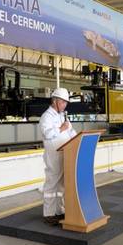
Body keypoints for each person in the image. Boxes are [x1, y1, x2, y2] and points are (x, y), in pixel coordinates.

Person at [39, 88, 77, 226]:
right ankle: (48, 214)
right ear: (55, 101)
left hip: (65, 153)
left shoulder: (62, 116)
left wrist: (77, 138)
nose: (65, 105)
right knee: (52, 183)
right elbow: (47, 133)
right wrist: (61, 128)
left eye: (66, 103)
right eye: (62, 102)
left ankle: (59, 211)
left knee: (61, 183)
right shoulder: (46, 117)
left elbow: (71, 132)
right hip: (53, 155)